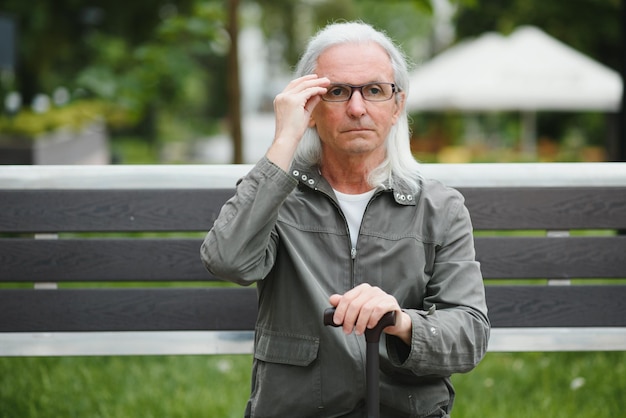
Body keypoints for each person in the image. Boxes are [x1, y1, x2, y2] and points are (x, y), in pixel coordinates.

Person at [201, 21, 490, 418]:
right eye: (336, 92)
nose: (357, 108)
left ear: (397, 106)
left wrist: (402, 322)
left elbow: (469, 334)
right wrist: (285, 139)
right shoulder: (276, 196)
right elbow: (227, 260)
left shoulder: (440, 207)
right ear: (311, 107)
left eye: (374, 90)